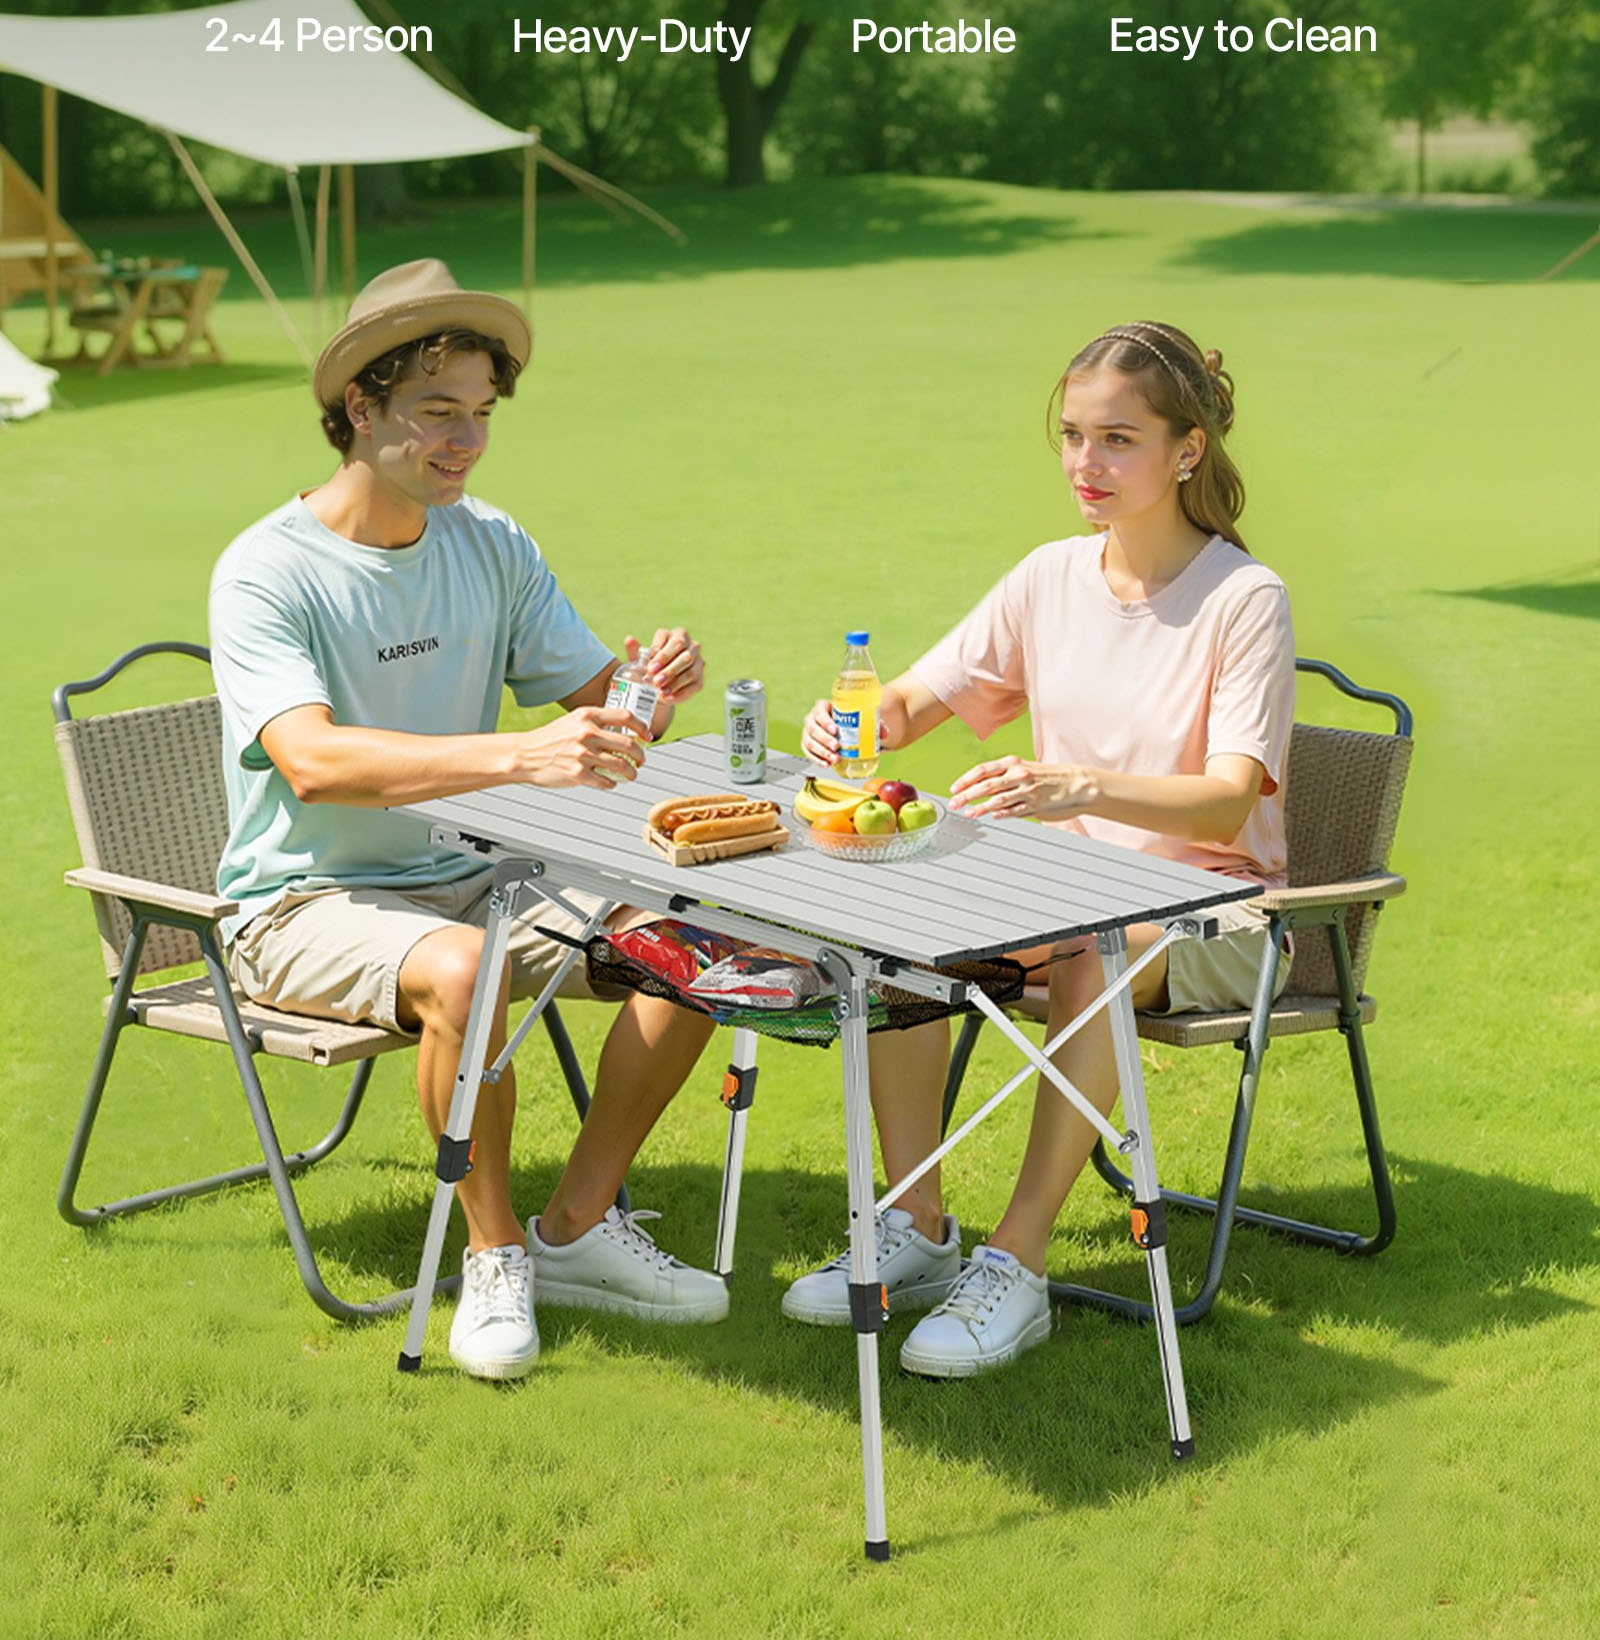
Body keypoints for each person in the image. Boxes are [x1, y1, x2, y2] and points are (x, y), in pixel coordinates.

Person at [209, 257, 727, 1381]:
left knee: (696, 936)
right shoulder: (265, 570)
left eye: (480, 414)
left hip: (481, 874)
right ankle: (493, 1256)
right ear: (359, 405)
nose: (466, 440)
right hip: (302, 900)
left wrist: (641, 694)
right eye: (436, 411)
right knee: (463, 968)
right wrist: (512, 753)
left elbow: (592, 707)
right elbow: (310, 759)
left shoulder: (488, 541)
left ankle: (577, 1227)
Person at [781, 321, 1295, 1378]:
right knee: (906, 943)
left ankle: (1016, 1262)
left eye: (1117, 438)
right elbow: (915, 701)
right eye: (1071, 436)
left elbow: (1226, 799)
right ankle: (919, 1229)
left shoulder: (1244, 598)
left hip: (1218, 915)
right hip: (1069, 900)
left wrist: (1075, 786)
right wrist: (851, 725)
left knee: (1089, 944)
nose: (1084, 464)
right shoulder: (1047, 577)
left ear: (1186, 449)